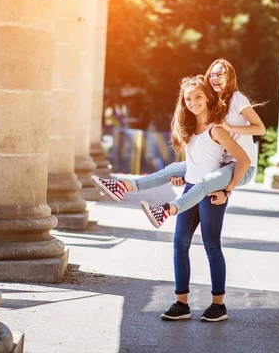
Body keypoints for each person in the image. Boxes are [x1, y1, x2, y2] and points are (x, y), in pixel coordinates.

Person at [91, 58, 265, 228]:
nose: (214, 78)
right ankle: (123, 186)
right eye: (211, 74)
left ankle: (167, 210)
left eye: (220, 74)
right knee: (174, 169)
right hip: (221, 162)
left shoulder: (237, 98)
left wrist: (230, 127)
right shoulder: (214, 101)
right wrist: (185, 176)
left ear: (230, 76)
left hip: (242, 166)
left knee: (205, 182)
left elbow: (260, 129)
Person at [155, 75, 250, 322]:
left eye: (198, 97)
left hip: (211, 194)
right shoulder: (188, 129)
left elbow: (244, 160)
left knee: (211, 245)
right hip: (190, 190)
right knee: (179, 244)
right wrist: (180, 178)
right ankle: (181, 303)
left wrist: (227, 190)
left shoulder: (216, 128)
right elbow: (194, 164)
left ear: (207, 98)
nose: (193, 102)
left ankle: (218, 305)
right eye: (188, 99)